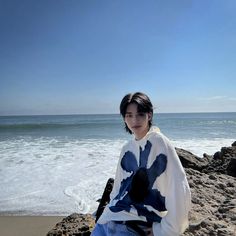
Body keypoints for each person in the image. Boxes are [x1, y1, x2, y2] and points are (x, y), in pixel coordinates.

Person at [91, 92, 191, 236]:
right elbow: (117, 189)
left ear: (149, 115)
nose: (134, 120)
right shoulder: (127, 148)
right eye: (129, 115)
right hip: (107, 222)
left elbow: (179, 188)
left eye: (140, 114)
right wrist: (103, 216)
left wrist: (164, 230)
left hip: (133, 227)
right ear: (124, 118)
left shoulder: (159, 142)